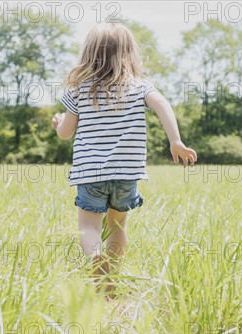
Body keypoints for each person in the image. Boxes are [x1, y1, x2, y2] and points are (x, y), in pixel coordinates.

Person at [51, 23, 197, 296]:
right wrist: (175, 140)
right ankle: (110, 284)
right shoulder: (139, 87)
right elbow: (163, 104)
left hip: (90, 173)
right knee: (117, 225)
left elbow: (65, 133)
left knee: (89, 226)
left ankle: (96, 258)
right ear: (129, 54)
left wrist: (58, 122)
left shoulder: (78, 90)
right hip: (126, 173)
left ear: (89, 54)